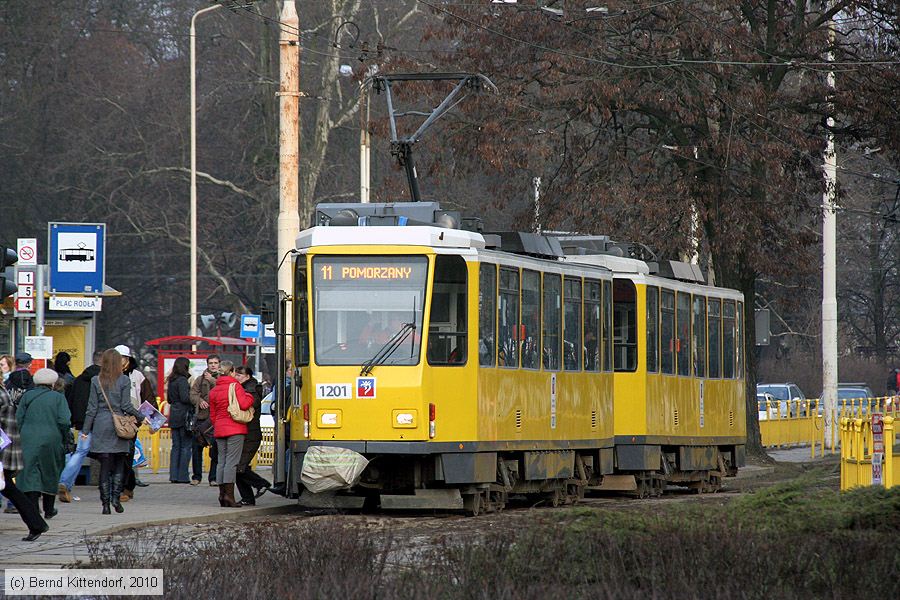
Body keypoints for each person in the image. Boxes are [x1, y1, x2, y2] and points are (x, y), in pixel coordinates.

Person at [81, 348, 144, 515]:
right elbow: (126, 406)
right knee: (118, 464)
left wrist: (85, 430)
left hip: (101, 426)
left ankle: (105, 505)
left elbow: (91, 408)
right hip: (118, 425)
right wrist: (140, 416)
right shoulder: (123, 380)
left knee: (104, 466)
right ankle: (116, 498)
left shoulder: (96, 380)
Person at [15, 368, 71, 521]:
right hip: (51, 439)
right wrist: (65, 437)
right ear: (53, 383)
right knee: (50, 471)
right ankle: (49, 509)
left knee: (30, 473)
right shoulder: (58, 398)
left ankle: (33, 508)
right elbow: (64, 421)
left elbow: (18, 419)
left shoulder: (27, 396)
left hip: (28, 439)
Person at [0, 383, 49, 541]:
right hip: (7, 447)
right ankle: (36, 524)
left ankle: (36, 524)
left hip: (3, 448)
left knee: (9, 488)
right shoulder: (2, 392)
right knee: (9, 488)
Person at [58, 350, 103, 503]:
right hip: (101, 421)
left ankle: (65, 482)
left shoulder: (79, 379)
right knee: (109, 453)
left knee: (80, 452)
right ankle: (111, 489)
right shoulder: (104, 379)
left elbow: (71, 400)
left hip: (82, 422)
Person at [208, 360, 253, 508]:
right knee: (232, 463)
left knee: (221, 462)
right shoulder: (236, 386)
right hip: (235, 429)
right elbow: (244, 404)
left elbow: (213, 414)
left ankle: (221, 495)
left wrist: (218, 425)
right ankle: (229, 496)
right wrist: (250, 397)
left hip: (220, 429)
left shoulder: (214, 390)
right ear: (232, 371)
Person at [114, 345, 153, 501]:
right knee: (115, 455)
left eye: (122, 358)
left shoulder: (137, 376)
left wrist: (149, 421)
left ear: (128, 359)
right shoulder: (109, 375)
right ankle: (119, 486)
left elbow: (148, 399)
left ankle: (126, 487)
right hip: (114, 420)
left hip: (132, 422)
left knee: (127, 455)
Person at [233, 366, 271, 505]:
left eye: (240, 375)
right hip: (245, 433)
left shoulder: (252, 389)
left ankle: (261, 483)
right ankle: (248, 498)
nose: (237, 377)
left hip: (251, 434)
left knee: (238, 468)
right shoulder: (242, 388)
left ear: (248, 376)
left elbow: (249, 405)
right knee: (240, 468)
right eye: (236, 375)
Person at [190, 354, 221, 486]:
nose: (213, 365)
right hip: (202, 418)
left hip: (215, 419)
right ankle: (196, 477)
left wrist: (213, 381)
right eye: (210, 363)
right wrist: (200, 400)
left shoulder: (222, 378)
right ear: (207, 364)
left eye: (215, 363)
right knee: (197, 448)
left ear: (219, 365)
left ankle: (213, 477)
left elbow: (222, 391)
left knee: (215, 449)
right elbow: (192, 394)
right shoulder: (200, 379)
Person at [166, 357, 193, 484]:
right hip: (183, 415)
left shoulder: (171, 380)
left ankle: (174, 475)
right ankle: (183, 476)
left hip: (174, 415)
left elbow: (169, 400)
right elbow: (185, 398)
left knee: (176, 446)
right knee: (186, 446)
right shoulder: (182, 380)